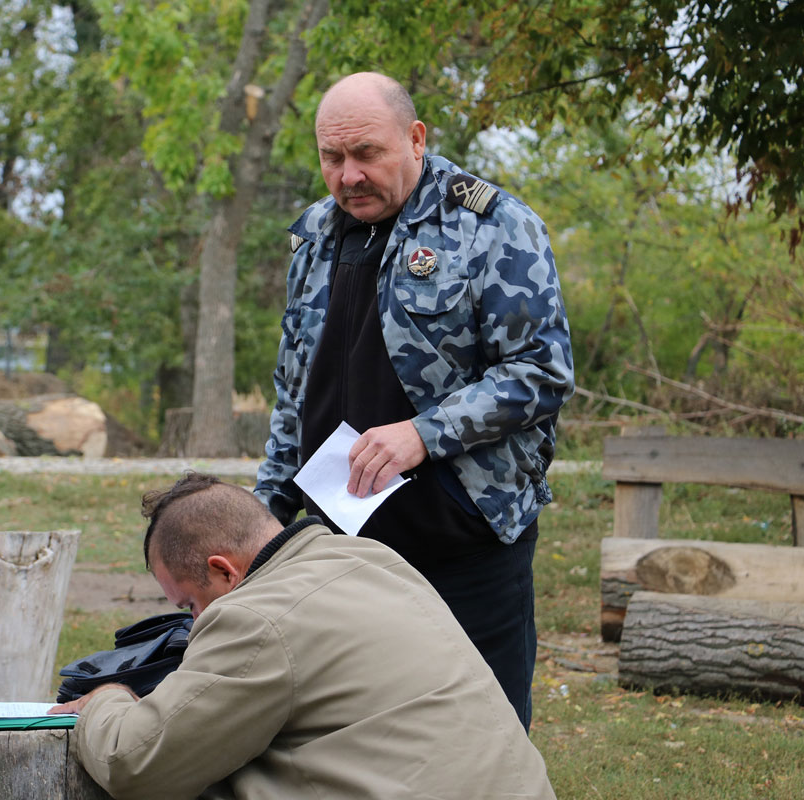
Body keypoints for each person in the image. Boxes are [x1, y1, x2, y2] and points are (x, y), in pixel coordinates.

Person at [254, 71, 575, 729]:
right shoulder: (316, 234)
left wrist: (423, 434)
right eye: (332, 158)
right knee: (348, 740)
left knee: (480, 738)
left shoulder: (494, 226)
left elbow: (542, 371)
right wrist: (264, 512)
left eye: (366, 153)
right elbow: (295, 391)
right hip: (338, 546)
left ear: (416, 138)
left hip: (464, 541)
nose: (347, 176)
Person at [53, 473, 556, 799]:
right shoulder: (371, 559)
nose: (194, 621)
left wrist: (109, 701)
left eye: (189, 605)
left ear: (224, 571)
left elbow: (136, 764)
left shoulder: (254, 618)